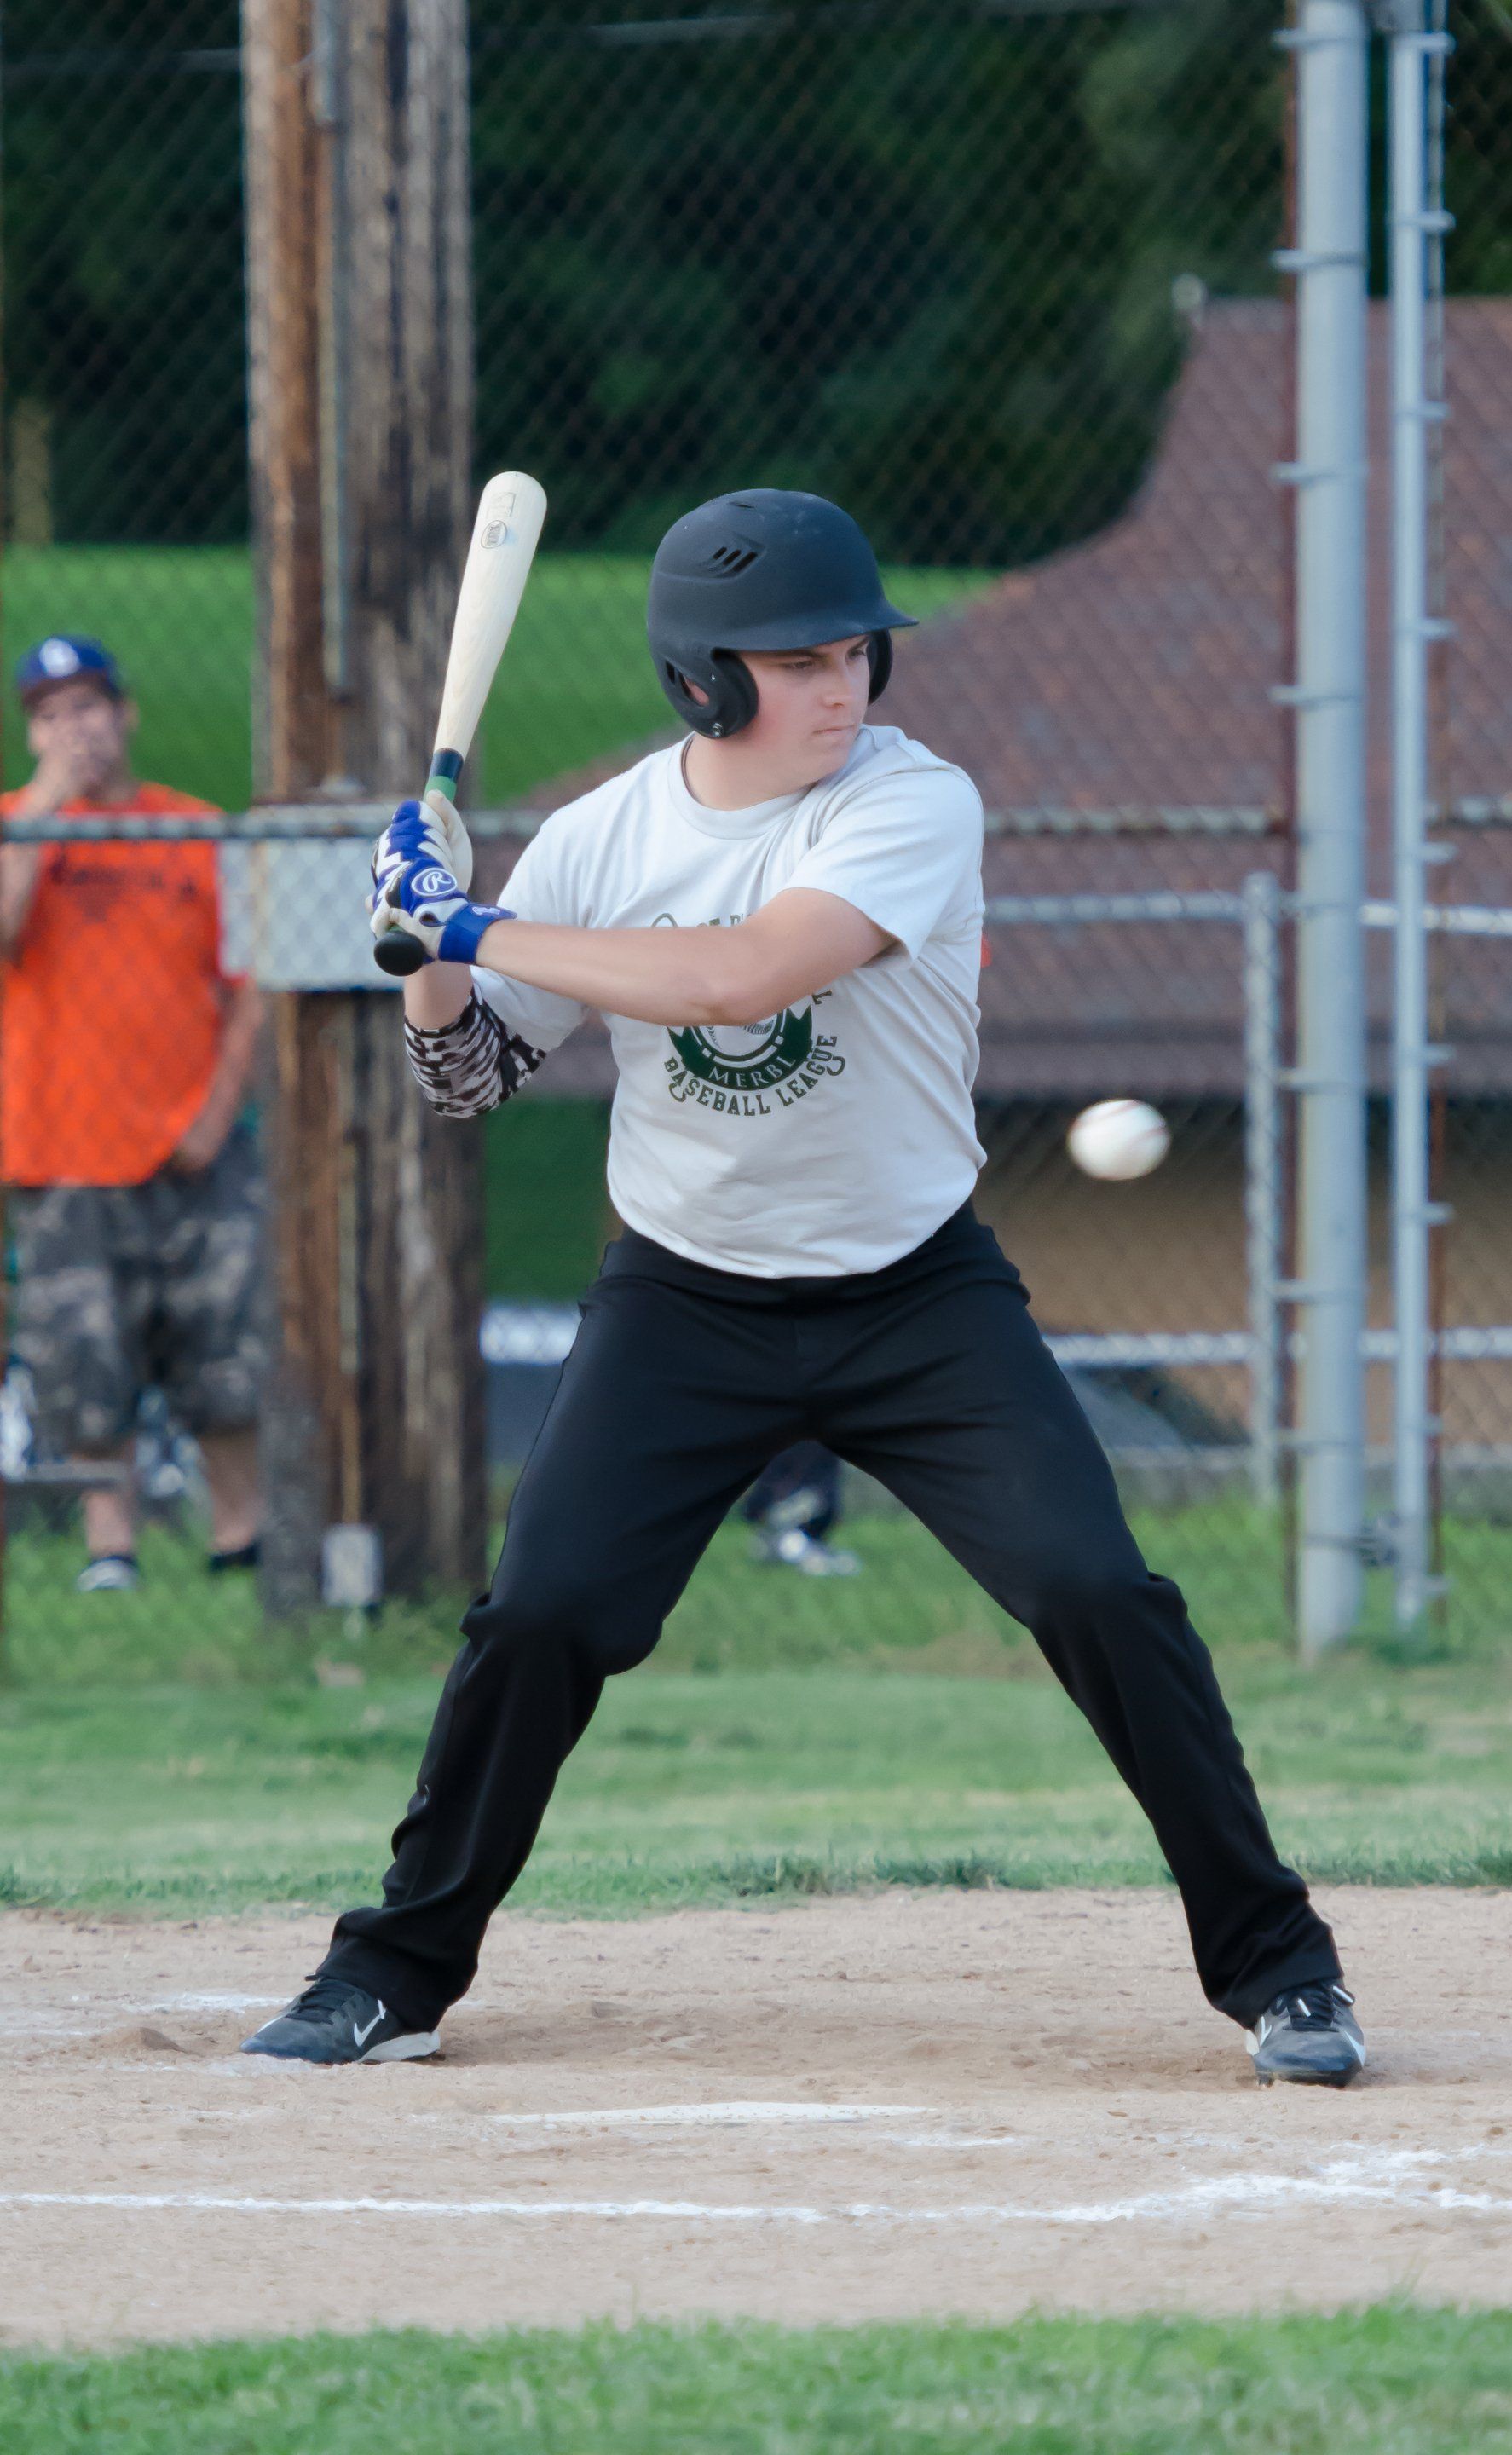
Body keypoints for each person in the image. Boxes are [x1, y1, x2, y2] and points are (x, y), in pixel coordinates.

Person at [245, 491, 1364, 2087]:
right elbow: (473, 1074)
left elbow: (741, 976)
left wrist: (481, 915)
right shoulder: (605, 838)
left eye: (855, 654)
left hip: (917, 1298)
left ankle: (1284, 1968)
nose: (844, 686)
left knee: (1102, 1594)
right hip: (683, 1303)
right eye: (801, 661)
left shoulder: (911, 806)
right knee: (540, 1616)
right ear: (706, 680)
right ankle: (394, 1973)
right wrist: (422, 946)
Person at [0, 636, 264, 1591]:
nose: (79, 728)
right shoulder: (15, 826)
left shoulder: (193, 829)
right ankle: (112, 1551)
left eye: (92, 707)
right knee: (84, 1368)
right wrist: (43, 804)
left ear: (127, 714)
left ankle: (240, 1538)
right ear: (33, 729)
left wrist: (217, 1111)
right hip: (62, 1152)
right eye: (55, 713)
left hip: (191, 1146)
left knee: (226, 1360)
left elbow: (251, 986)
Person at [742, 1441, 858, 1575]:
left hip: (807, 1517)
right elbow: (756, 1504)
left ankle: (815, 1556)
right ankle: (815, 1556)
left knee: (792, 1539)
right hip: (778, 1520)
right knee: (783, 1543)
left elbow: (827, 1496)